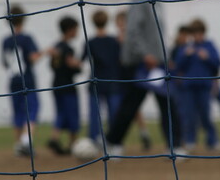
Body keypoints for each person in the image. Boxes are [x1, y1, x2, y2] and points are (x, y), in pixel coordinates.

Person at [105, 0, 183, 155]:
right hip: (140, 63)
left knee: (166, 103)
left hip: (155, 63)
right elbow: (132, 31)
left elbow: (155, 34)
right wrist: (144, 54)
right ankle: (113, 144)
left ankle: (174, 146)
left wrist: (164, 57)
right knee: (131, 106)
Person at [2, 5, 43, 157]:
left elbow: (4, 63)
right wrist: (44, 52)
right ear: (23, 19)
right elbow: (33, 57)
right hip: (28, 81)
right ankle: (26, 141)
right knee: (33, 109)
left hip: (13, 80)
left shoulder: (6, 40)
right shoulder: (27, 38)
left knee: (17, 113)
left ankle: (18, 145)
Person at [175, 18, 220, 151]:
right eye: (194, 33)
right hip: (188, 87)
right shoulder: (186, 48)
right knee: (189, 116)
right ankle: (190, 140)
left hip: (204, 87)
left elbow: (218, 63)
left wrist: (207, 57)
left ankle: (212, 140)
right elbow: (178, 66)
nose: (197, 36)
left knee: (206, 115)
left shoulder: (209, 46)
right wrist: (186, 55)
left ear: (203, 32)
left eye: (199, 33)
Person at [82, 10, 122, 143]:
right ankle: (114, 141)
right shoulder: (115, 41)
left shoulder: (91, 42)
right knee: (114, 116)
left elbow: (80, 62)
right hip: (113, 81)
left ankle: (94, 141)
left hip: (96, 82)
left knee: (95, 116)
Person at [115, 10, 152, 151]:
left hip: (131, 77)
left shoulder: (133, 39)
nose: (121, 25)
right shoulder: (117, 39)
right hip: (120, 78)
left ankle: (144, 134)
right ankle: (120, 138)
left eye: (123, 22)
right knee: (125, 109)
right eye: (119, 23)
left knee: (133, 108)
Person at [47, 16, 82, 155]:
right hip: (67, 85)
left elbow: (52, 66)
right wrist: (77, 66)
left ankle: (54, 138)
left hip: (56, 85)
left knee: (61, 113)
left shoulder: (56, 46)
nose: (77, 32)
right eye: (75, 29)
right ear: (69, 30)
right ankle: (72, 144)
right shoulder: (68, 48)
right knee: (73, 114)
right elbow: (73, 68)